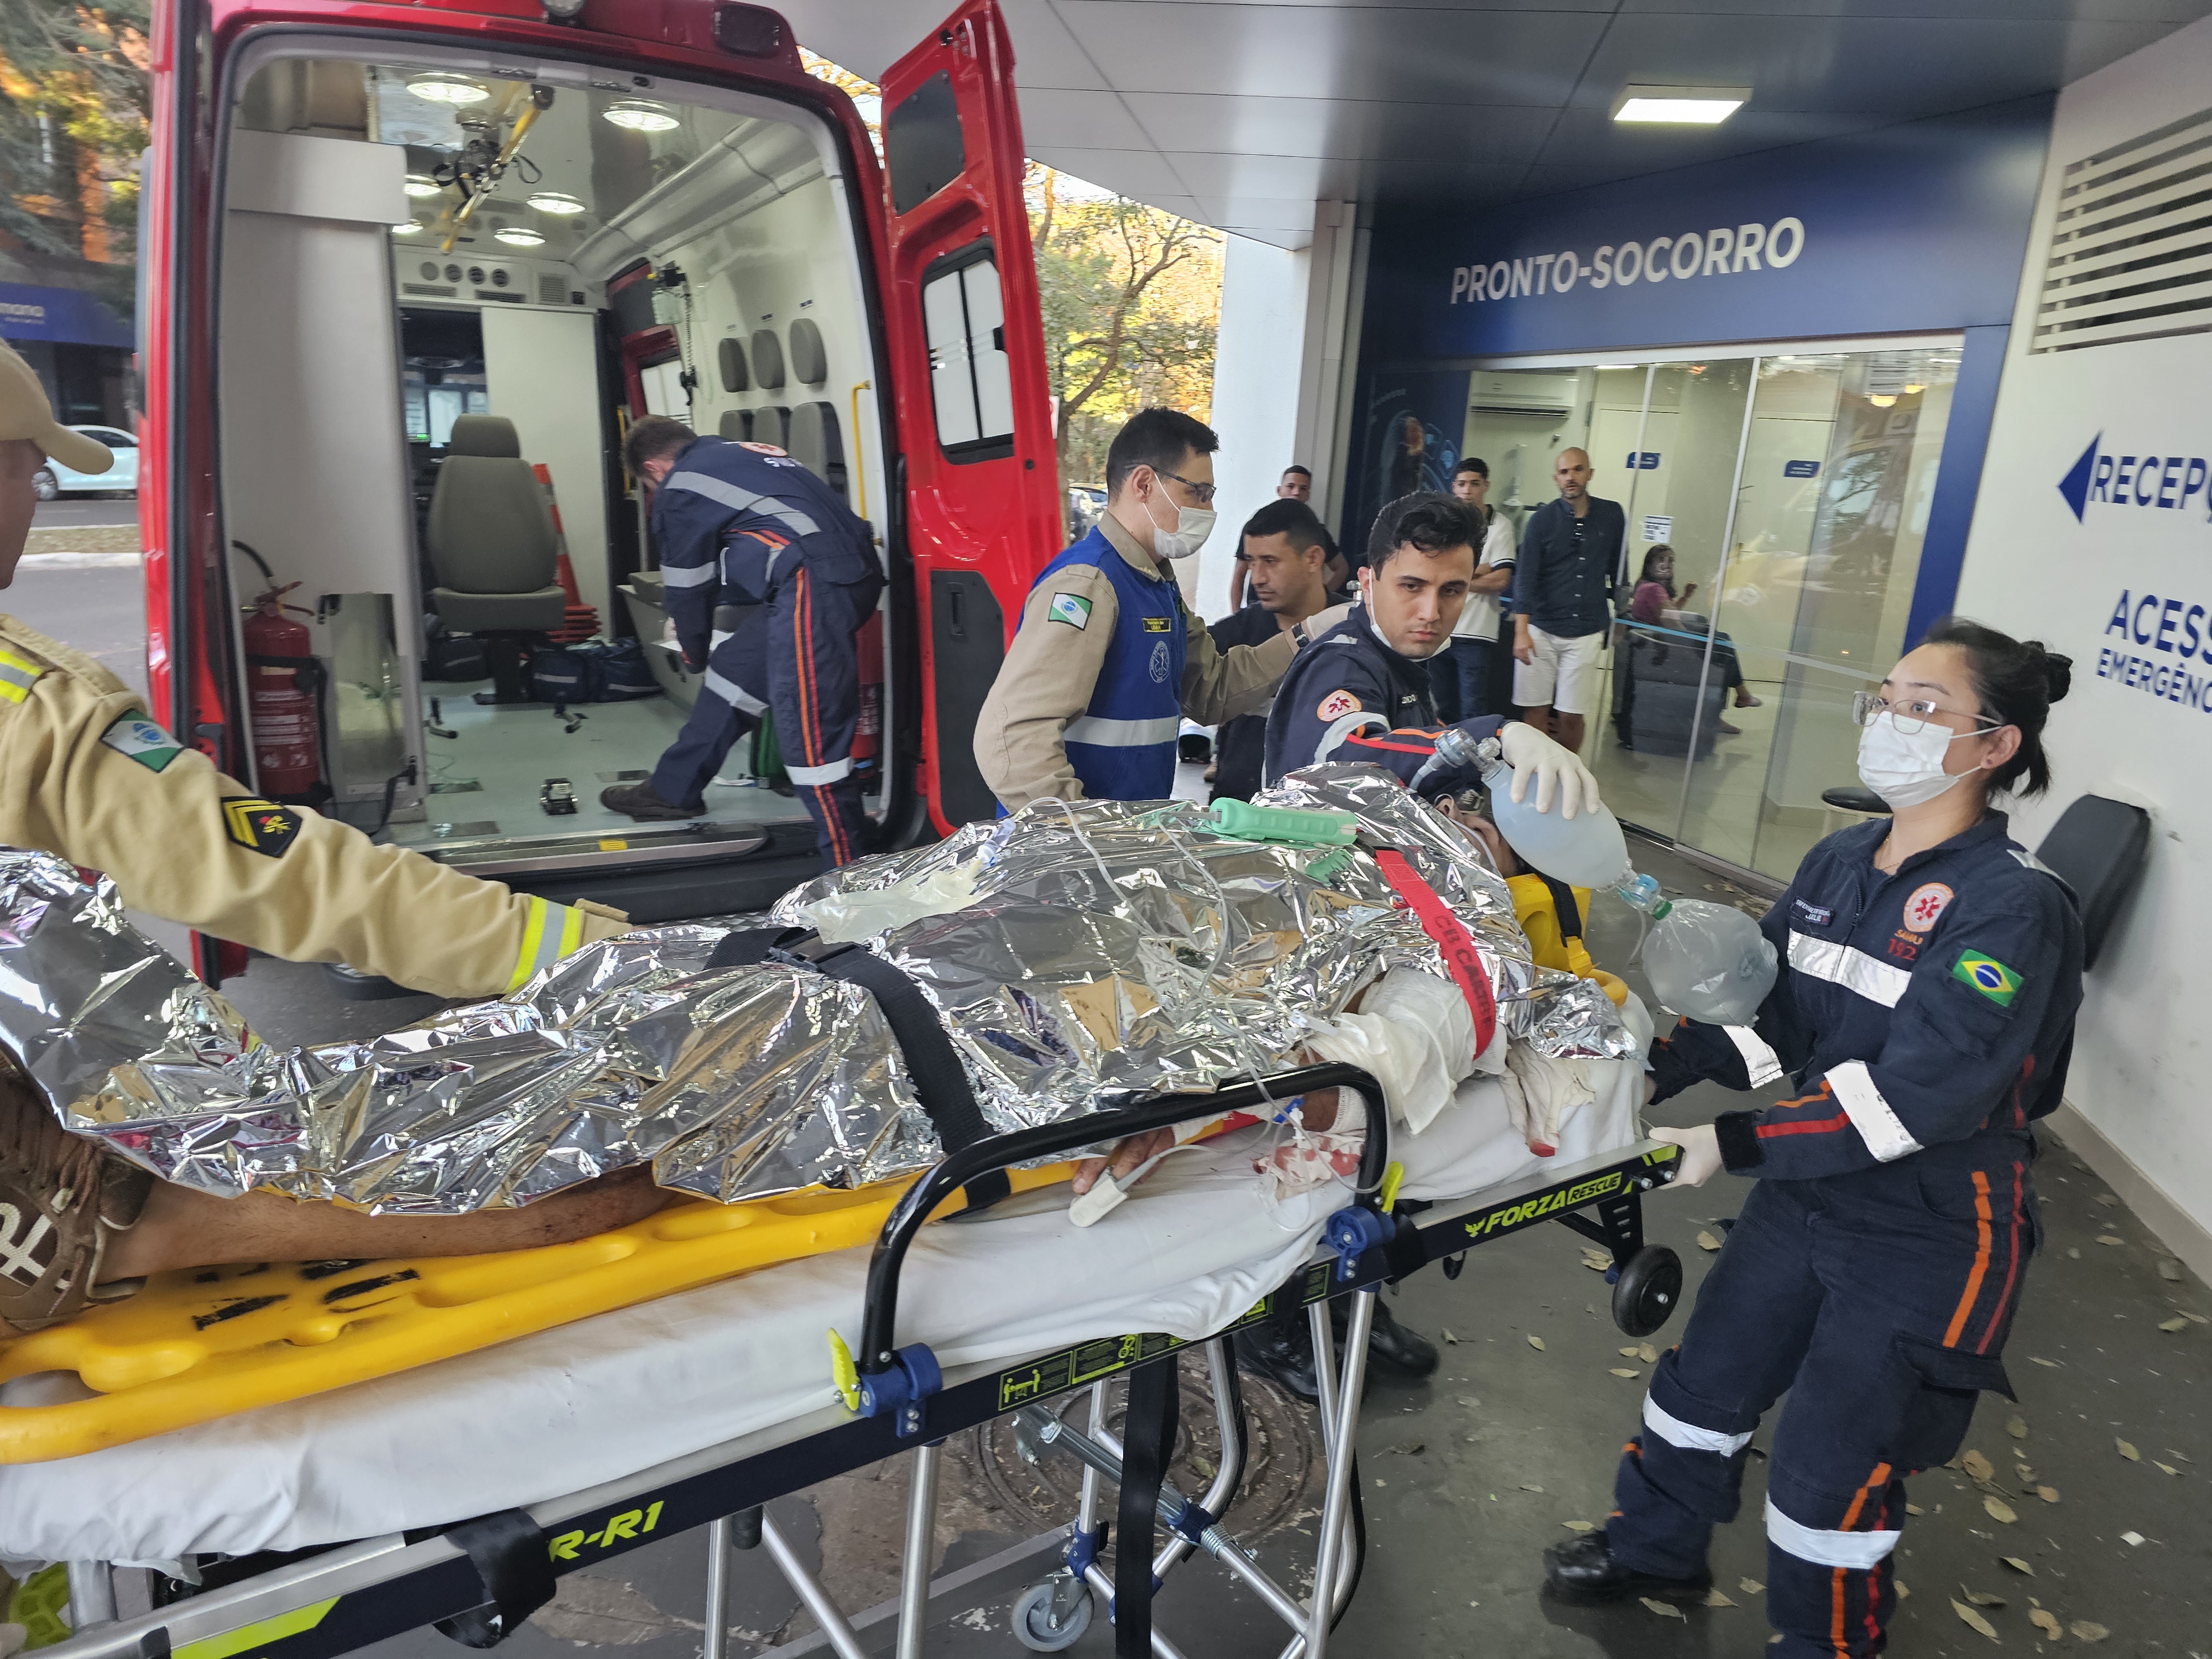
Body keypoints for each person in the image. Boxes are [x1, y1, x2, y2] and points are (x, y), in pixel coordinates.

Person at [0, 343, 656, 1333]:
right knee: (583, 1193)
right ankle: (67, 1237)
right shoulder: (26, 708)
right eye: (27, 466)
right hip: (34, 1188)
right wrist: (608, 955)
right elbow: (277, 870)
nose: (38, 493)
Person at [1542, 621, 2083, 1659]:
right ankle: (1655, 1547)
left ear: (1995, 746)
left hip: (1932, 1227)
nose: (1890, 722)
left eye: (1925, 708)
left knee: (1832, 1466)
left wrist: (1729, 1147)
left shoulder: (2013, 909)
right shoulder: (1842, 860)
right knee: (1705, 1386)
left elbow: (1919, 1099)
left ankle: (1825, 1644)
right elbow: (1773, 1021)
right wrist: (1640, 1078)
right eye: (1886, 698)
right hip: (1811, 1187)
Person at [974, 410, 1345, 812]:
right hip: (1070, 856)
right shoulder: (1089, 584)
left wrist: (1309, 634)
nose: (1207, 511)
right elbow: (1013, 735)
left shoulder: (1155, 584)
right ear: (1145, 484)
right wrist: (1080, 834)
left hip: (1121, 843)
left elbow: (1212, 690)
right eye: (1197, 493)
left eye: (1210, 496)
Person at [601, 418, 883, 869]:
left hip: (812, 585)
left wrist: (690, 651)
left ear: (655, 467)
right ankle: (674, 789)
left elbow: (689, 583)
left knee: (810, 736)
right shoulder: (744, 453)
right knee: (736, 673)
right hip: (849, 572)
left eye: (649, 485)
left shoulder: (679, 485)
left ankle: (853, 871)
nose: (656, 492)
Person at [1209, 500, 1333, 804]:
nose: (1258, 578)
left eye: (1270, 561)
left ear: (1313, 559)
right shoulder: (1229, 637)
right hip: (1238, 813)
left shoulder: (1356, 629)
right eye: (1251, 562)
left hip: (1327, 818)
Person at [1512, 448, 1624, 757]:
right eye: (1564, 472)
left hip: (1587, 629)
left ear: (1589, 473)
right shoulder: (1542, 521)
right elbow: (1526, 577)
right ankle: (1536, 772)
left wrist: (1623, 619)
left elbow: (1620, 570)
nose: (1570, 477)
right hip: (1541, 630)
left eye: (1577, 470)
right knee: (1535, 710)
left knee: (1571, 714)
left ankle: (1568, 772)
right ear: (1556, 478)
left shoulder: (1612, 514)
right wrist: (1521, 631)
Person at [1616, 546, 1761, 744]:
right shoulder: (1654, 589)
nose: (1667, 564)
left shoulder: (1645, 585)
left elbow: (1668, 613)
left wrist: (1686, 596)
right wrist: (1695, 644)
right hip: (1662, 649)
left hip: (1658, 645)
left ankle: (1732, 702)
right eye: (1661, 559)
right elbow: (1672, 623)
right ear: (1650, 564)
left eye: (1670, 560)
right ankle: (1738, 698)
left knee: (1719, 641)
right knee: (1721, 644)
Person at [1437, 457, 1516, 724]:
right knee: (1440, 708)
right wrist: (1480, 569)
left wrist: (1457, 580)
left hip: (1476, 634)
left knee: (1473, 709)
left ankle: (1473, 766)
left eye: (1474, 484)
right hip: (1440, 630)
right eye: (1461, 484)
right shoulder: (1444, 523)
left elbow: (1501, 581)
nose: (1467, 491)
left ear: (1486, 486)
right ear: (1454, 488)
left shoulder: (1500, 526)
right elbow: (1435, 571)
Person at [1227, 464, 1316, 610]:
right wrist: (1236, 615)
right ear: (1279, 491)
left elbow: (1340, 567)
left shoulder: (1314, 529)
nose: (1296, 493)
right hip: (1259, 610)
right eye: (1290, 486)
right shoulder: (1258, 525)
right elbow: (1239, 573)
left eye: (1303, 489)